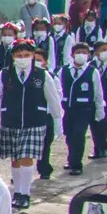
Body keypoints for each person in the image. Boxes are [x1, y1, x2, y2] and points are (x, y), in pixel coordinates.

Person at [0, 40, 64, 210]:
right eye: (19, 55)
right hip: (11, 121)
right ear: (13, 56)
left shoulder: (42, 75)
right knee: (15, 158)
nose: (23, 58)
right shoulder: (5, 74)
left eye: (26, 55)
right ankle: (17, 192)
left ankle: (25, 193)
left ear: (33, 55)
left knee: (27, 156)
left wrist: (58, 120)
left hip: (34, 121)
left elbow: (53, 98)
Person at [59, 43, 106, 176]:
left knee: (79, 135)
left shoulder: (92, 71)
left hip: (84, 109)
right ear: (72, 54)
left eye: (84, 53)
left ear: (89, 55)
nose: (81, 55)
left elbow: (98, 92)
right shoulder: (64, 70)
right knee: (69, 135)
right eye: (78, 52)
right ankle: (71, 158)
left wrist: (99, 110)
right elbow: (58, 89)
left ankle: (76, 164)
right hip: (68, 108)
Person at [33, 48, 62, 182]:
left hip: (46, 115)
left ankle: (44, 169)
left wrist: (56, 117)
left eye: (39, 60)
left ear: (45, 62)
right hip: (29, 115)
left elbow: (57, 96)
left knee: (45, 145)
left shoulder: (51, 77)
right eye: (34, 60)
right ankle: (21, 172)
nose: (35, 62)